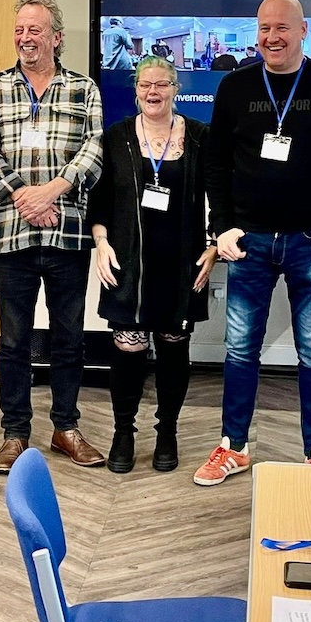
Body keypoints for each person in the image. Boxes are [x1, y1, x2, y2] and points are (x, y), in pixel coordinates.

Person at [195, 0, 311, 486]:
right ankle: (234, 447)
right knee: (239, 350)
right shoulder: (235, 86)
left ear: (303, 30)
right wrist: (221, 226)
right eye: (264, 28)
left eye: (282, 27)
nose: (272, 37)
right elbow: (216, 162)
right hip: (249, 240)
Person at [0, 0, 105, 474]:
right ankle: (14, 433)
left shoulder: (83, 88)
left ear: (56, 38)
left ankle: (66, 428)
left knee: (69, 337)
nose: (25, 38)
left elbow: (95, 148)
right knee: (13, 341)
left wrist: (51, 191)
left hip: (67, 232)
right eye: (19, 30)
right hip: (10, 234)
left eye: (35, 30)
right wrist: (22, 198)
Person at [88, 56, 217, 473]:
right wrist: (101, 243)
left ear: (176, 89)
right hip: (128, 262)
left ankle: (167, 432)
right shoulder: (116, 136)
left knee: (173, 349)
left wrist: (214, 246)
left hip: (181, 264)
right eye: (145, 85)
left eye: (162, 84)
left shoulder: (199, 136)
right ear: (136, 90)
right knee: (128, 349)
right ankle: (123, 432)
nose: (153, 92)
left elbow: (222, 195)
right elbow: (99, 200)